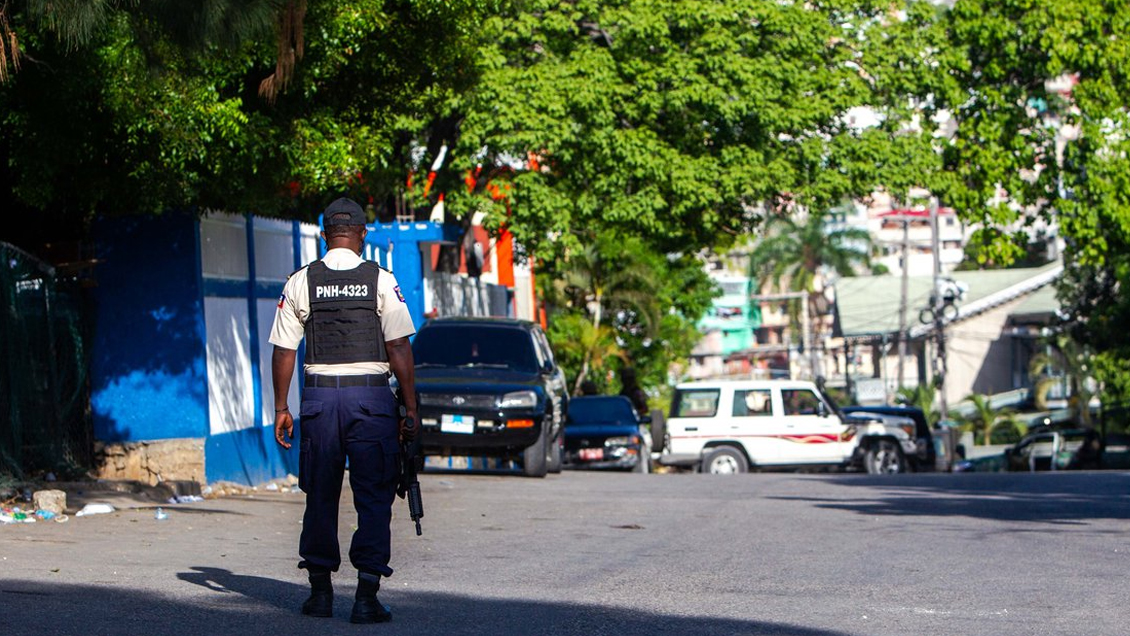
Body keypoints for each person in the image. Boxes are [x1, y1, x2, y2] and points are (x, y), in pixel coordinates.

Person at [269, 197, 418, 624]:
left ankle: (320, 596)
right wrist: (410, 407)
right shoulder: (380, 280)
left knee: (320, 494)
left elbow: (283, 350)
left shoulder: (301, 282)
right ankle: (366, 597)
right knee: (374, 496)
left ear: (324, 234)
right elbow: (398, 346)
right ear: (363, 234)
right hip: (370, 401)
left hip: (318, 401)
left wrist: (283, 406)